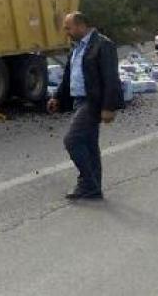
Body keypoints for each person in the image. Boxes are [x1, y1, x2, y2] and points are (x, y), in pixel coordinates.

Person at [48, 12, 123, 201]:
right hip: (79, 101)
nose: (66, 31)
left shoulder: (103, 45)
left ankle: (87, 183)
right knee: (89, 145)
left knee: (72, 140)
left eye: (68, 27)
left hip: (93, 101)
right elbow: (69, 76)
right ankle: (94, 188)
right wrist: (57, 97)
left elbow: (111, 77)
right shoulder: (76, 48)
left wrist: (109, 107)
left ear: (81, 26)